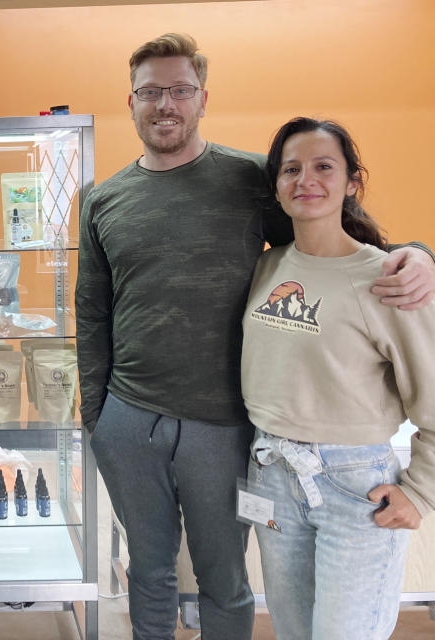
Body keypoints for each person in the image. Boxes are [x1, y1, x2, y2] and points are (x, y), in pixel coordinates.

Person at [75, 34, 435, 639]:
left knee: (225, 579)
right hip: (129, 419)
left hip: (225, 424)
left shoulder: (248, 179)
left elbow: (331, 234)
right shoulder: (102, 200)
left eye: (180, 90)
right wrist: (97, 417)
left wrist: (417, 253)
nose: (165, 104)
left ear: (202, 98)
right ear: (131, 101)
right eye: (150, 92)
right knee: (148, 570)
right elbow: (92, 313)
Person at [241, 117, 434, 639]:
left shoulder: (388, 280)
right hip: (272, 473)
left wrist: (421, 492)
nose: (306, 179)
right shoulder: (266, 269)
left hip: (356, 486)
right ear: (277, 186)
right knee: (294, 631)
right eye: (291, 169)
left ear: (352, 181)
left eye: (324, 166)